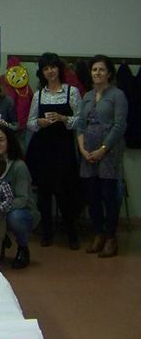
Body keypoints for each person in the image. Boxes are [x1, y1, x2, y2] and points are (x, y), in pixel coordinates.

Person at [26, 52, 82, 250]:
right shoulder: (38, 94)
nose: (50, 71)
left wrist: (63, 118)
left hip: (64, 149)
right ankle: (47, 233)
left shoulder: (71, 92)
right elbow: (30, 123)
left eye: (53, 67)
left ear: (59, 69)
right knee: (44, 193)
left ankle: (71, 234)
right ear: (42, 72)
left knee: (65, 192)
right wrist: (39, 122)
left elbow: (80, 121)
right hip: (43, 150)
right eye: (45, 68)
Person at [77, 55, 128, 257]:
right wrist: (82, 149)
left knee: (109, 196)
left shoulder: (118, 95)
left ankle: (110, 237)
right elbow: (80, 124)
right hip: (88, 151)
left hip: (109, 152)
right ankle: (97, 234)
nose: (97, 73)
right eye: (94, 70)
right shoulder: (88, 96)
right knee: (93, 196)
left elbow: (119, 125)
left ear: (109, 73)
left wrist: (103, 149)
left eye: (101, 70)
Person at [0, 125, 39, 269]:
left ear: (9, 142)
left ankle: (23, 247)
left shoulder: (19, 166)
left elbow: (22, 199)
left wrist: (0, 206)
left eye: (1, 140)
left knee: (15, 218)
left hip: (20, 210)